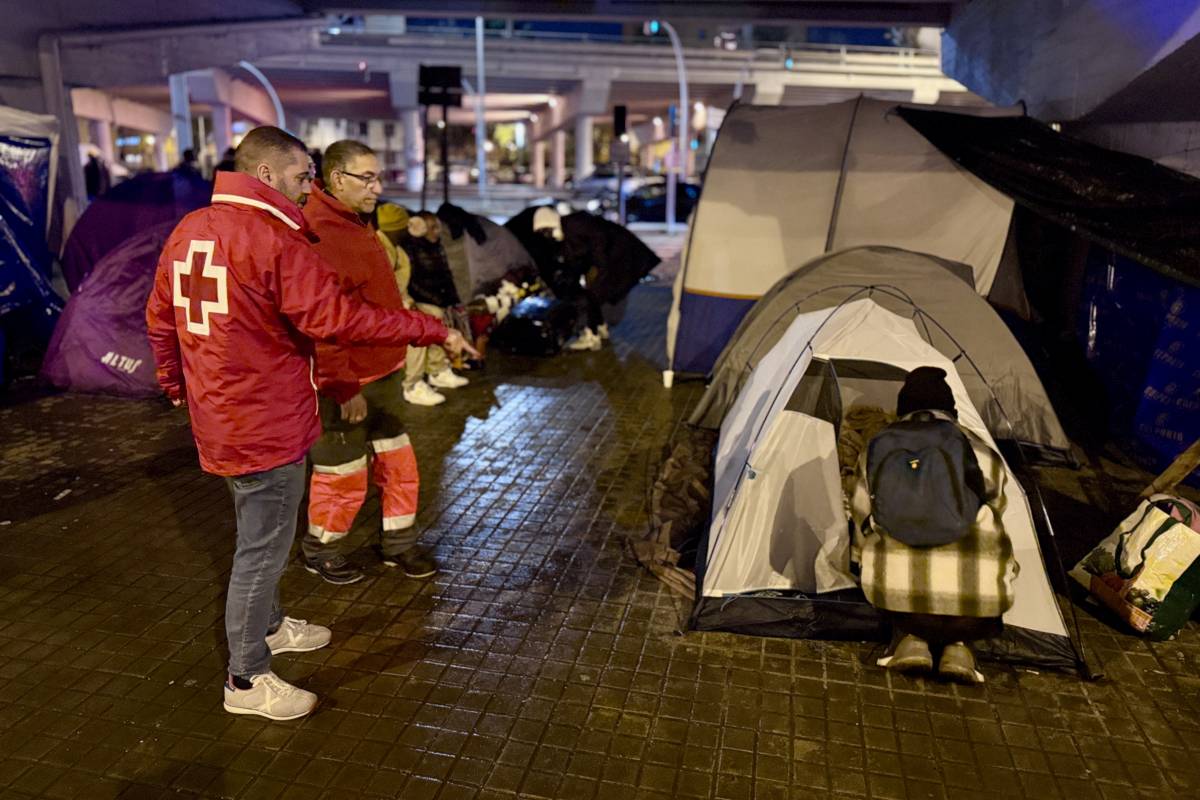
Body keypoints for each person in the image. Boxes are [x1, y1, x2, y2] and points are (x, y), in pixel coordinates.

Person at [145, 126, 475, 721]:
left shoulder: (191, 228)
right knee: (262, 551)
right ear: (266, 175)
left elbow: (160, 318)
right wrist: (432, 328)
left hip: (224, 416)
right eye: (302, 177)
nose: (308, 189)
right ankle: (245, 681)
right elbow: (338, 319)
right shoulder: (272, 238)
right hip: (264, 422)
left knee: (258, 535)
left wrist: (175, 386)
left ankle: (270, 627)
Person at [299, 140, 443, 585]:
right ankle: (321, 551)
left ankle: (397, 545)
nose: (378, 187)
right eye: (368, 177)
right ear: (337, 178)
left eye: (378, 177)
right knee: (341, 474)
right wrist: (344, 385)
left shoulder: (353, 222)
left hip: (382, 371)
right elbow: (322, 321)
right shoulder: (319, 233)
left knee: (398, 463)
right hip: (347, 382)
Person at [849, 366, 1017, 684]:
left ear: (903, 408)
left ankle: (910, 642)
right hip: (976, 607)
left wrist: (860, 563)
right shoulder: (982, 451)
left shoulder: (878, 446)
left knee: (889, 557)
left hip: (899, 600)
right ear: (951, 410)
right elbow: (998, 513)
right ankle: (959, 649)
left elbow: (861, 514)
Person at [400, 211, 469, 405]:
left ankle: (437, 371)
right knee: (423, 332)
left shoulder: (435, 246)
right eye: (433, 227)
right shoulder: (409, 248)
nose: (437, 232)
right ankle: (413, 384)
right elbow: (411, 282)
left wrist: (452, 301)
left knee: (440, 325)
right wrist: (433, 301)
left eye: (438, 227)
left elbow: (445, 275)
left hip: (435, 301)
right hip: (418, 301)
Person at [531, 207, 607, 352]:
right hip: (595, 264)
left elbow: (588, 246)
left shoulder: (571, 227)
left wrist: (596, 265)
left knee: (587, 298)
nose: (545, 235)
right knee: (590, 297)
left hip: (600, 264)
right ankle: (599, 327)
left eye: (545, 230)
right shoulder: (564, 234)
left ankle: (592, 335)